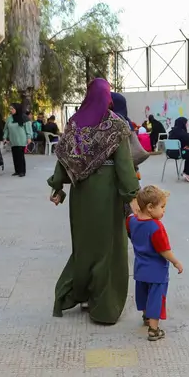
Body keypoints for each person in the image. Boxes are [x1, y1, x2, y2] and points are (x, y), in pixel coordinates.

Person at [49, 78, 139, 324]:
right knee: (108, 249)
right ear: (108, 96)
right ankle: (104, 308)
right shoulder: (115, 125)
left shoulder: (75, 123)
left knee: (84, 245)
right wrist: (133, 196)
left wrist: (57, 186)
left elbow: (63, 159)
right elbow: (124, 166)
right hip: (107, 194)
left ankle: (76, 293)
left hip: (81, 195)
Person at [127, 185, 183, 341]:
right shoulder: (156, 227)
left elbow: (130, 233)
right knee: (156, 298)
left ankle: (145, 317)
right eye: (162, 207)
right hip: (157, 269)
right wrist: (176, 262)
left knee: (143, 294)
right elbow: (164, 250)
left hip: (140, 267)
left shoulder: (131, 221)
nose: (164, 211)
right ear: (150, 208)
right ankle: (153, 329)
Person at [4, 103, 32, 177]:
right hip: (13, 140)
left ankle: (22, 171)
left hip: (21, 140)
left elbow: (28, 128)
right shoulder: (9, 118)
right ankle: (17, 170)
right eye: (10, 109)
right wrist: (5, 137)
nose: (11, 110)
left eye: (12, 109)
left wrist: (29, 137)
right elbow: (6, 129)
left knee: (20, 156)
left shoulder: (24, 117)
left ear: (17, 109)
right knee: (15, 155)